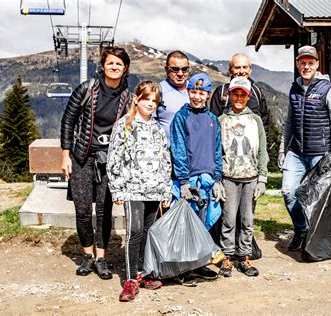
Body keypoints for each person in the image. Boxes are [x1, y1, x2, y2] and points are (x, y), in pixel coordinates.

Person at [61, 46, 132, 279]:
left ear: (125, 69)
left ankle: (101, 258)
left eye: (119, 64)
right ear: (103, 66)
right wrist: (65, 156)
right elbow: (68, 121)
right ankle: (87, 256)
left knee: (104, 211)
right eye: (110, 63)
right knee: (82, 210)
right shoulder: (86, 89)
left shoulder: (127, 97)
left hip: (108, 161)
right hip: (82, 157)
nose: (114, 67)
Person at [106, 81, 172, 302]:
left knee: (146, 232)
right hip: (133, 190)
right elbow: (114, 158)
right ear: (136, 99)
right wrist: (116, 188)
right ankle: (131, 279)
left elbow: (165, 160)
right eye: (147, 99)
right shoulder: (124, 125)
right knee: (134, 232)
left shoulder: (158, 129)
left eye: (155, 101)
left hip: (154, 190)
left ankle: (143, 272)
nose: (151, 104)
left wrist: (165, 191)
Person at [278, 45, 331, 251]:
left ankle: (315, 241)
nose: (306, 66)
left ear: (317, 64)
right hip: (296, 152)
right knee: (288, 192)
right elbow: (289, 121)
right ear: (297, 64)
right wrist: (282, 149)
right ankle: (301, 229)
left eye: (310, 63)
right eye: (302, 63)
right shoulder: (294, 88)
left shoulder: (328, 89)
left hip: (320, 154)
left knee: (317, 199)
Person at [169, 72, 225, 286]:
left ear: (208, 94)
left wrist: (217, 178)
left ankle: (198, 265)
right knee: (187, 227)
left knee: (202, 227)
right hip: (189, 181)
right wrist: (183, 181)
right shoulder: (181, 118)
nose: (197, 97)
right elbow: (179, 151)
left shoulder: (212, 120)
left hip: (208, 180)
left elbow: (217, 149)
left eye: (201, 93)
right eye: (193, 92)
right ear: (188, 92)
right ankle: (182, 270)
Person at [218, 77, 268, 278]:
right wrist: (217, 179)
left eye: (243, 95)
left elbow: (262, 148)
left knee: (247, 219)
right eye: (235, 94)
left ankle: (244, 256)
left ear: (248, 97)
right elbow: (217, 150)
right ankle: (227, 256)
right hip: (229, 177)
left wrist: (262, 177)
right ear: (229, 95)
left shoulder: (254, 120)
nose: (239, 98)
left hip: (250, 177)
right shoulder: (222, 121)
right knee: (229, 219)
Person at [209, 53, 269, 136]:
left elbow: (264, 122)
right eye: (237, 67)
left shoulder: (257, 91)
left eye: (245, 67)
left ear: (250, 70)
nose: (241, 71)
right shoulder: (221, 92)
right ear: (230, 71)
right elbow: (213, 123)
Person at [155, 50, 190, 142]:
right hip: (166, 152)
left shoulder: (196, 91)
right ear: (166, 69)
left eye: (184, 69)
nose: (180, 74)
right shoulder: (158, 90)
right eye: (175, 69)